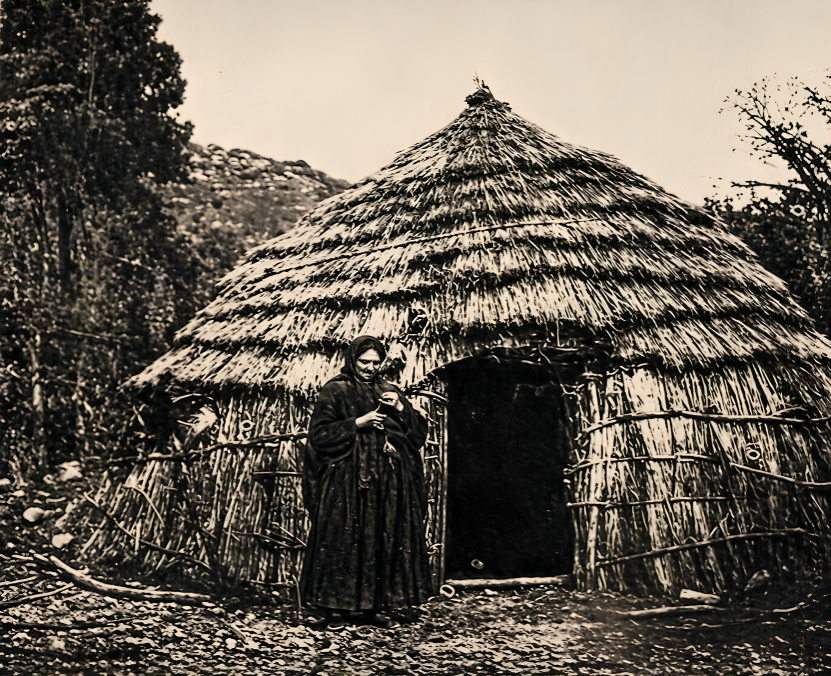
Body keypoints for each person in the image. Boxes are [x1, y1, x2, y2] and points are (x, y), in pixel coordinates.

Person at [300, 335, 432, 628]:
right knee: (342, 539)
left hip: (386, 482)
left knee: (379, 539)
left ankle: (371, 608)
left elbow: (416, 437)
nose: (370, 368)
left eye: (375, 362)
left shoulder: (389, 390)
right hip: (347, 481)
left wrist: (401, 409)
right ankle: (334, 608)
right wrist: (358, 423)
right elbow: (318, 436)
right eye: (364, 362)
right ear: (352, 360)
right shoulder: (336, 389)